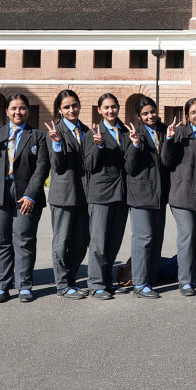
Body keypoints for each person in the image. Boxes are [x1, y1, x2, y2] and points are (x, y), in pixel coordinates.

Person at [0, 93, 50, 304]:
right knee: (1, 242)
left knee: (24, 240)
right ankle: (1, 287)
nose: (18, 112)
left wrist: (31, 195)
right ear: (6, 111)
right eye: (13, 108)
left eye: (22, 108)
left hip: (26, 196)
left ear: (28, 111)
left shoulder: (38, 136)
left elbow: (42, 168)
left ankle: (24, 286)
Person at [163, 98, 196, 297]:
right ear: (187, 115)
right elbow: (166, 160)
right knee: (188, 235)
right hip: (182, 194)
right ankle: (184, 281)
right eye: (193, 112)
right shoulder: (180, 133)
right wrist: (169, 139)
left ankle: (192, 276)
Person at [43, 89, 91, 299]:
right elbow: (57, 166)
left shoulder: (87, 130)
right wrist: (56, 143)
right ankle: (62, 285)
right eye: (67, 107)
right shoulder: (55, 132)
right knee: (62, 242)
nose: (72, 110)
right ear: (60, 111)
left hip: (85, 195)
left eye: (74, 105)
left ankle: (71, 279)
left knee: (81, 241)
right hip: (64, 195)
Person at [82, 93, 130, 300]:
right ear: (99, 110)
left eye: (114, 107)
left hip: (122, 194)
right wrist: (99, 146)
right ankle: (95, 284)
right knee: (99, 243)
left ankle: (108, 281)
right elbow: (89, 165)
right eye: (106, 107)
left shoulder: (125, 131)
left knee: (113, 242)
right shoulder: (93, 133)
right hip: (101, 194)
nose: (111, 111)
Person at [124, 95, 171, 299]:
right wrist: (135, 145)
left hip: (160, 194)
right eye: (145, 114)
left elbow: (168, 161)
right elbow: (130, 167)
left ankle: (150, 279)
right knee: (143, 238)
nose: (150, 116)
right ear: (139, 116)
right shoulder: (135, 134)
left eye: (152, 111)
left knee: (157, 238)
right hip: (141, 194)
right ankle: (140, 283)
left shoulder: (165, 131)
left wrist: (170, 139)